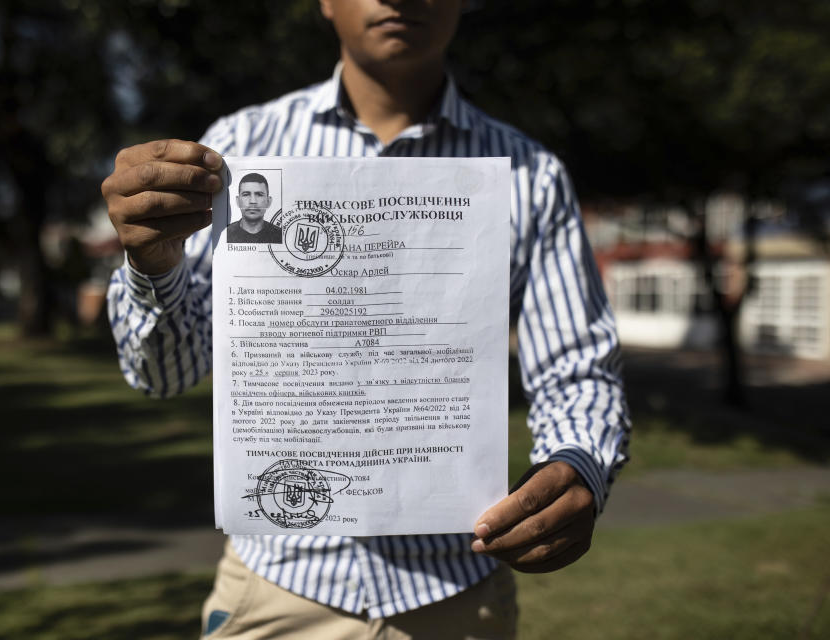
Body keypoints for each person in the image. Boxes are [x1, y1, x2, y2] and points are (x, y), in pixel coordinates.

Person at [101, 1, 630, 637]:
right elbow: (163, 375)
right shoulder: (239, 152)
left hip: (458, 596)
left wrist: (578, 463)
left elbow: (578, 370)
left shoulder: (531, 178)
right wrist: (153, 264)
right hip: (276, 590)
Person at [226, 172, 282, 244]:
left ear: (268, 201)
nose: (253, 201)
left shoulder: (280, 236)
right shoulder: (225, 234)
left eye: (259, 195)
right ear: (238, 201)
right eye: (246, 194)